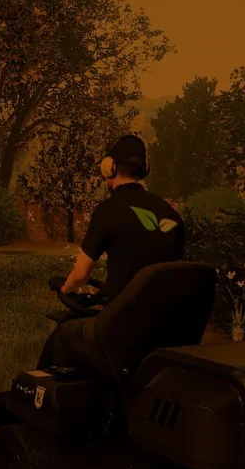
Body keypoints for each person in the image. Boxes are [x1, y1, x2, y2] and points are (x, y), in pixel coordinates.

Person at [37, 134, 185, 371]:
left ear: (110, 168)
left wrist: (64, 289)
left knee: (64, 333)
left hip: (122, 330)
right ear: (145, 168)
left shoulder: (107, 212)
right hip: (166, 329)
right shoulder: (171, 216)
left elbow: (80, 275)